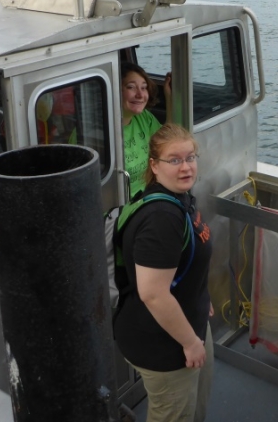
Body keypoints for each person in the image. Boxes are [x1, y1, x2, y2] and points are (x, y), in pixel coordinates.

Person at [114, 124, 213, 422]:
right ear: (154, 166)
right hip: (164, 344)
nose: (186, 167)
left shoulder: (177, 199)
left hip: (185, 324)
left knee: (194, 408)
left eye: (191, 157)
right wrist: (191, 342)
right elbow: (154, 294)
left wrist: (199, 295)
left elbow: (184, 264)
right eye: (175, 160)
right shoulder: (161, 219)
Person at [122, 62, 172, 199]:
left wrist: (169, 97)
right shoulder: (95, 129)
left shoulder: (144, 117)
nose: (140, 95)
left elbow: (167, 139)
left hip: (146, 199)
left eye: (144, 88)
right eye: (131, 87)